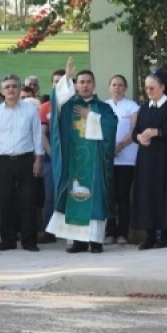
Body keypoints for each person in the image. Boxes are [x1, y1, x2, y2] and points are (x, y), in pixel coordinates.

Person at [46, 59, 117, 254]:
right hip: (73, 161)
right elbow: (56, 102)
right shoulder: (68, 106)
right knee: (74, 198)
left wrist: (91, 116)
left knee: (95, 198)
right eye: (81, 82)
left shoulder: (103, 108)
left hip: (95, 164)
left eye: (88, 82)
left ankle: (95, 241)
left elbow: (111, 126)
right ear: (76, 85)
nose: (85, 85)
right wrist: (66, 78)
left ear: (94, 85)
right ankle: (77, 241)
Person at [0, 74, 44, 252]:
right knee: (5, 202)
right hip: (4, 161)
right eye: (7, 86)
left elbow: (37, 136)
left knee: (28, 201)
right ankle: (8, 240)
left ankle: (29, 241)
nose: (11, 89)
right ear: (3, 91)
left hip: (26, 159)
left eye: (14, 86)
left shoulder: (30, 110)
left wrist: (38, 159)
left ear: (20, 89)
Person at [131, 71, 167, 250]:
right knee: (148, 194)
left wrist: (158, 132)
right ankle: (149, 235)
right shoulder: (144, 107)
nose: (148, 91)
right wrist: (139, 137)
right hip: (147, 158)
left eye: (152, 88)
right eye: (146, 88)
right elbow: (135, 131)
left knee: (166, 193)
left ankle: (165, 234)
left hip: (166, 157)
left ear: (162, 87)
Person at [105, 74, 139, 246]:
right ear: (109, 87)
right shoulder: (104, 106)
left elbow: (134, 130)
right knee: (109, 196)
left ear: (125, 88)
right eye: (114, 85)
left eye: (120, 85)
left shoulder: (132, 107)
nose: (117, 88)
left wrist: (119, 146)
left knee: (123, 196)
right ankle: (110, 232)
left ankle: (122, 233)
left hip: (127, 159)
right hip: (108, 159)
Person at [37, 69, 65, 244]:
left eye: (62, 81)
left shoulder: (76, 105)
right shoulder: (45, 107)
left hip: (72, 159)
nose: (58, 84)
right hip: (51, 158)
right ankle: (49, 230)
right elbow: (42, 134)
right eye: (55, 81)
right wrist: (53, 155)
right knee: (50, 196)